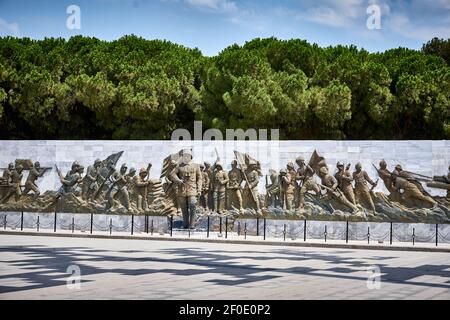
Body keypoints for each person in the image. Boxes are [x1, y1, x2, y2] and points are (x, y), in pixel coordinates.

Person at [170, 149, 202, 229]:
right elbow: (172, 174)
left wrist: (199, 189)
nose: (186, 157)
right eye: (184, 156)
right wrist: (178, 181)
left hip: (192, 189)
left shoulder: (196, 166)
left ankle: (192, 224)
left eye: (187, 156)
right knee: (183, 209)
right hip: (182, 189)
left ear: (191, 157)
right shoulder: (179, 166)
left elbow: (199, 178)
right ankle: (185, 223)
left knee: (192, 205)